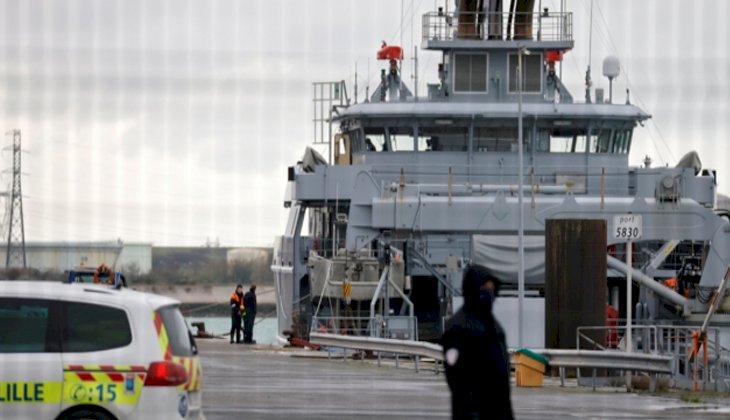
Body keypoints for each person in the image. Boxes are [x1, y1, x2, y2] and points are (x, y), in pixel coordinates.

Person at [441, 264, 513, 419]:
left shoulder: (494, 327)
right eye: (485, 289)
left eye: (491, 289)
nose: (489, 294)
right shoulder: (457, 328)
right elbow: (456, 377)